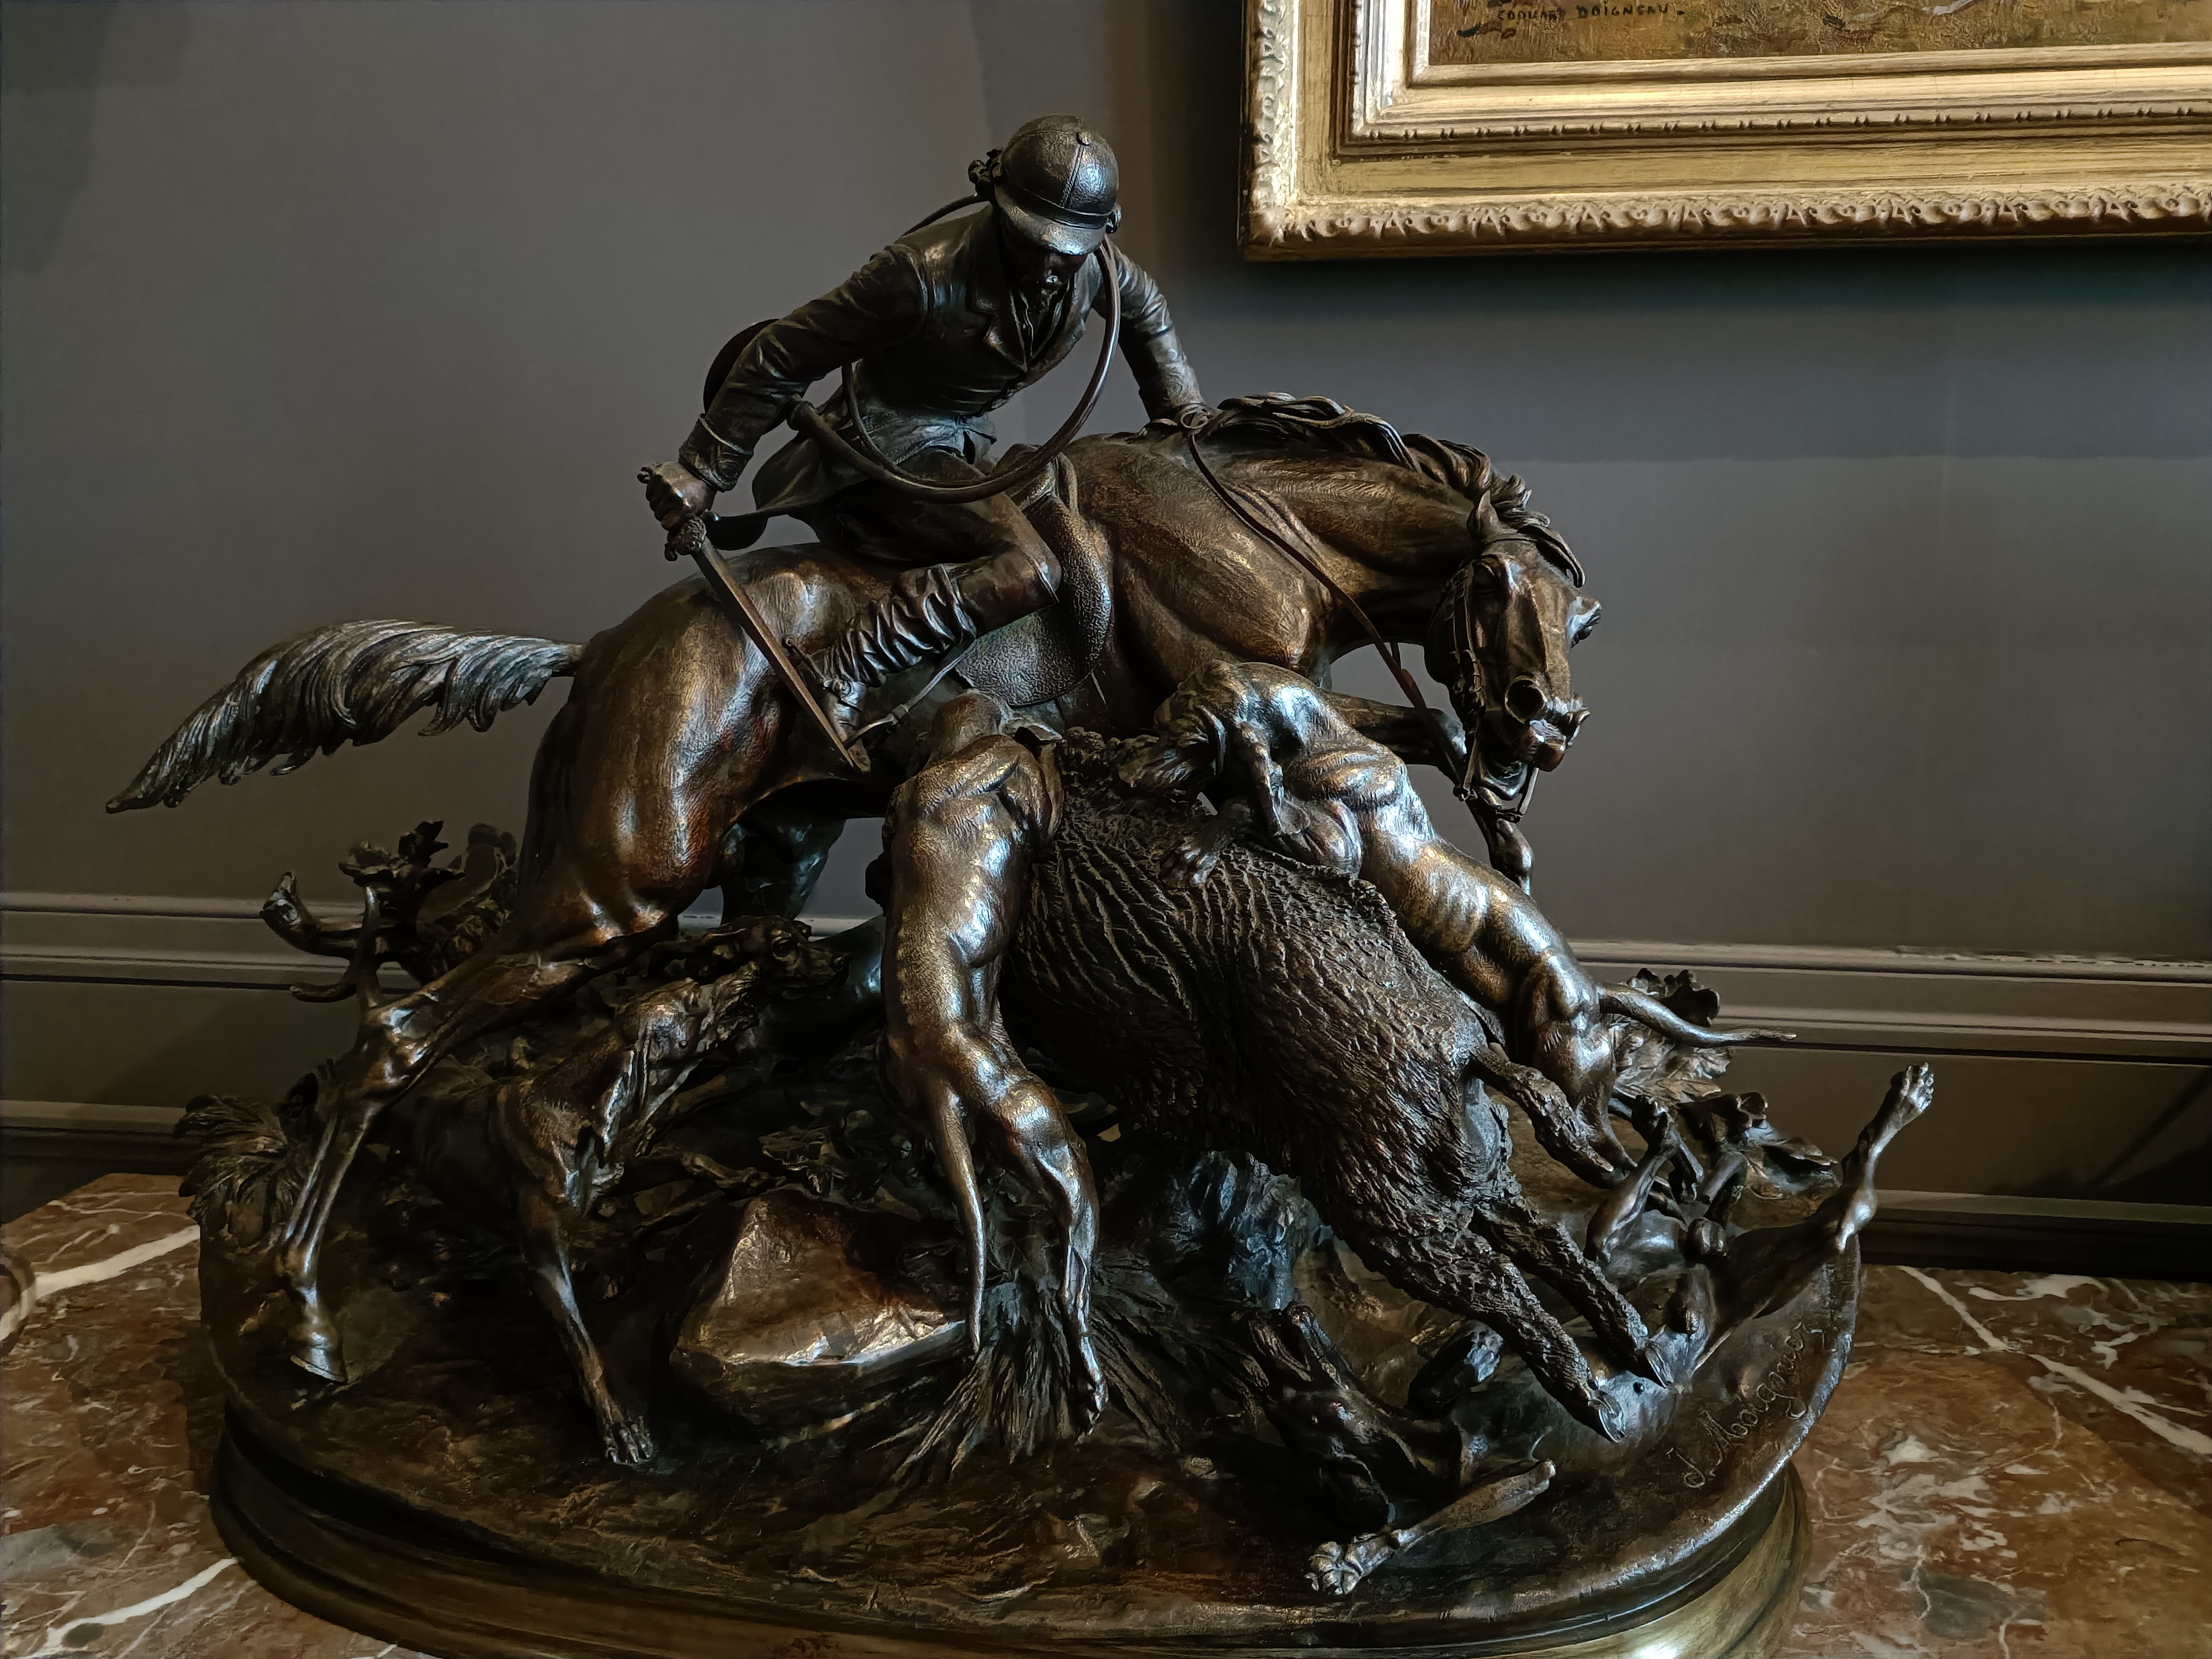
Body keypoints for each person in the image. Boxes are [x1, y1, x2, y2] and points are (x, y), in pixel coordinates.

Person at [641, 116, 1206, 741]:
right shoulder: (920, 273)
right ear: (997, 204)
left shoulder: (1095, 269)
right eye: (1032, 240)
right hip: (887, 447)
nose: (1051, 264)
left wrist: (1187, 421)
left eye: (1068, 248)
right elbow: (781, 352)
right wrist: (702, 470)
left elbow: (1147, 314)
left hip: (964, 448)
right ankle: (845, 668)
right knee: (1029, 568)